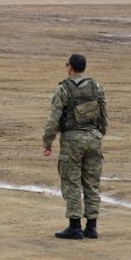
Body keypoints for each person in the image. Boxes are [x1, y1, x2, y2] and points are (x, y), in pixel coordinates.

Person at [42, 53, 108, 240]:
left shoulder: (63, 89)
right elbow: (104, 116)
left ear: (70, 67)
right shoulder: (96, 87)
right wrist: (97, 134)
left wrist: (48, 142)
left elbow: (53, 119)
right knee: (92, 183)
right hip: (93, 139)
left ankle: (75, 226)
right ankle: (92, 226)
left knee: (71, 182)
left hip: (72, 141)